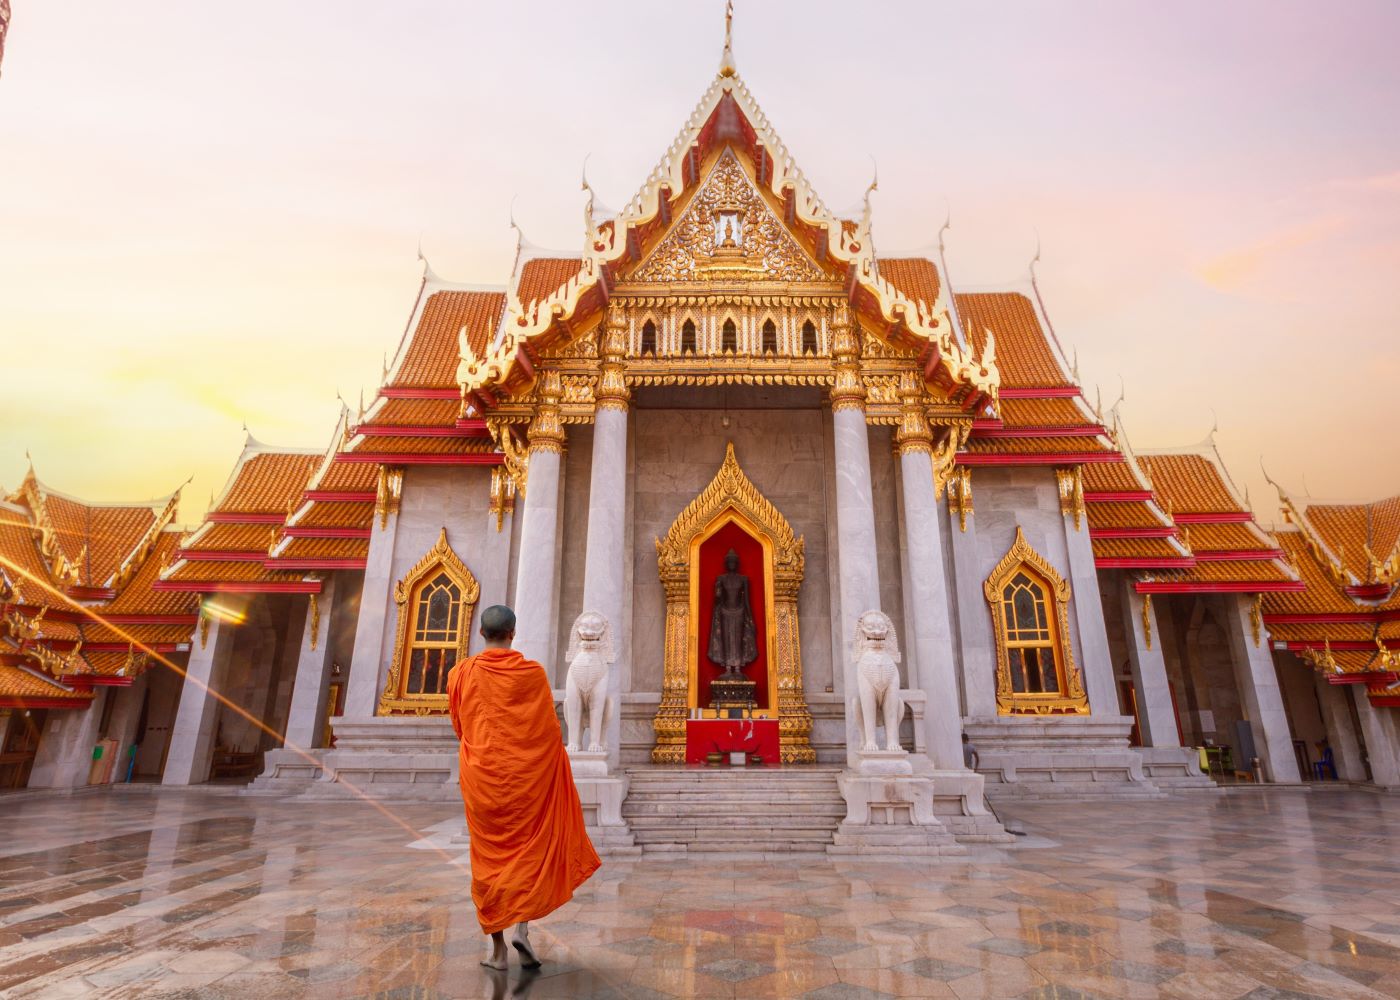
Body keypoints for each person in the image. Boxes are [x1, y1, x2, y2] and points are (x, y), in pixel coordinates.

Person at [447, 604, 601, 970]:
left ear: (481, 633)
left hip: (482, 779)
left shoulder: (461, 673)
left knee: (490, 862)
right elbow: (550, 731)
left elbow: (460, 724)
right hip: (526, 781)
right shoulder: (532, 673)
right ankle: (522, 929)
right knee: (525, 855)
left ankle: (498, 951)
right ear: (512, 634)